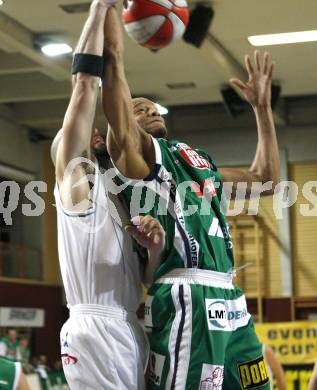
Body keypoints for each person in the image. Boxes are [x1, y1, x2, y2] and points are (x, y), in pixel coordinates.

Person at [101, 5, 280, 389]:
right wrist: (109, 14)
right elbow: (114, 76)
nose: (148, 109)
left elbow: (264, 181)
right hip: (186, 294)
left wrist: (262, 110)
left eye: (152, 106)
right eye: (138, 109)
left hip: (229, 298)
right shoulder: (137, 160)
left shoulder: (195, 159)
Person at [50, 0, 167, 388]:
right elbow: (83, 85)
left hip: (130, 326)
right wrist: (100, 10)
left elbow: (147, 278)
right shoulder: (75, 184)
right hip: (92, 325)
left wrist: (153, 247)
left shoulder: (124, 196)